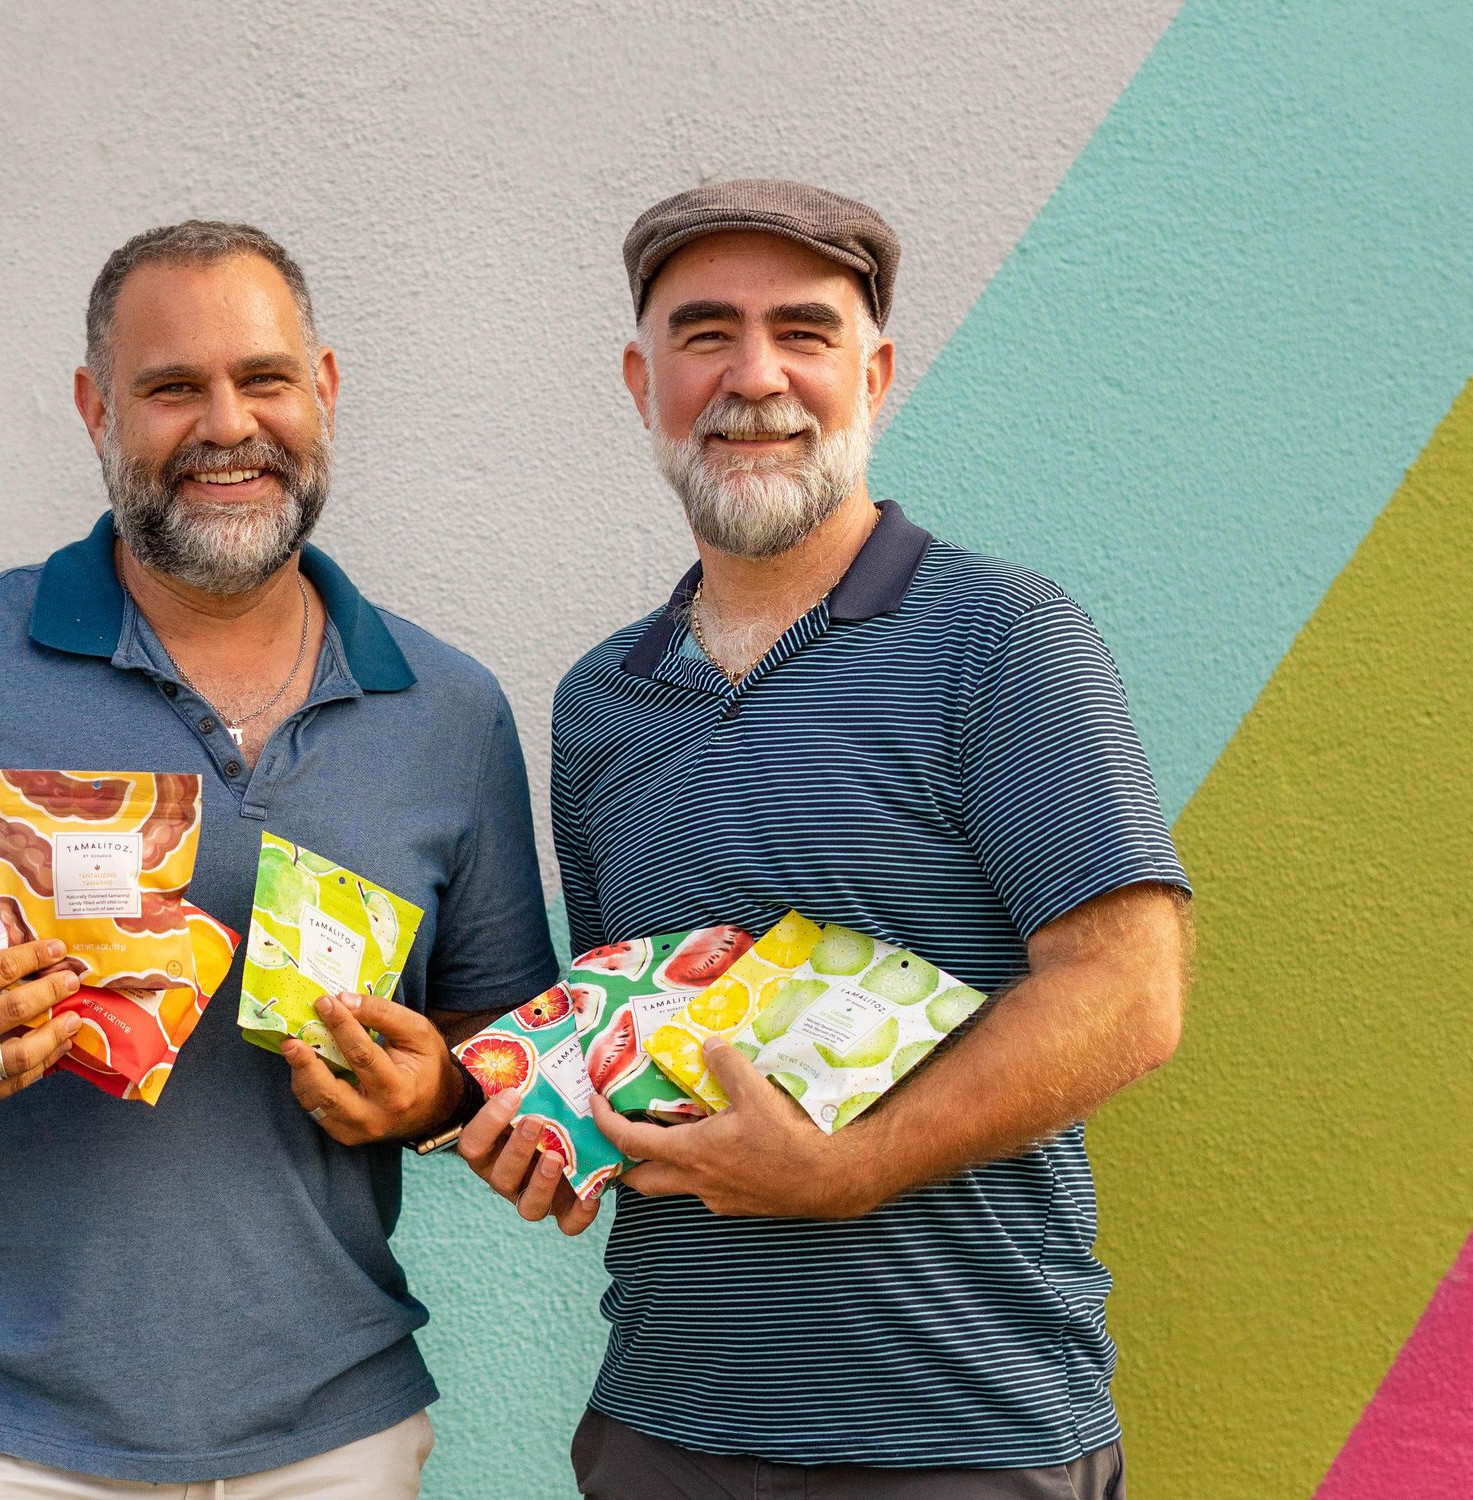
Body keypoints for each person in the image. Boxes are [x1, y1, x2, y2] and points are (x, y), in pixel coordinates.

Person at [0, 220, 558, 1497]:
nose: (227, 424)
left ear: (322, 391)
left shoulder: (448, 713)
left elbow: (506, 1044)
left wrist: (437, 1093)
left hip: (335, 1434)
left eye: (263, 379)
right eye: (172, 388)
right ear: (93, 409)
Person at [460, 180, 1192, 1500]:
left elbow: (1130, 994)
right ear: (643, 380)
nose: (756, 377)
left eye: (803, 330)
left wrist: (844, 1169)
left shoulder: (1002, 639)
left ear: (876, 371)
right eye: (705, 334)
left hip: (961, 1436)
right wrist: (553, 1129)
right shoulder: (600, 703)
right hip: (661, 1428)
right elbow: (636, 1027)